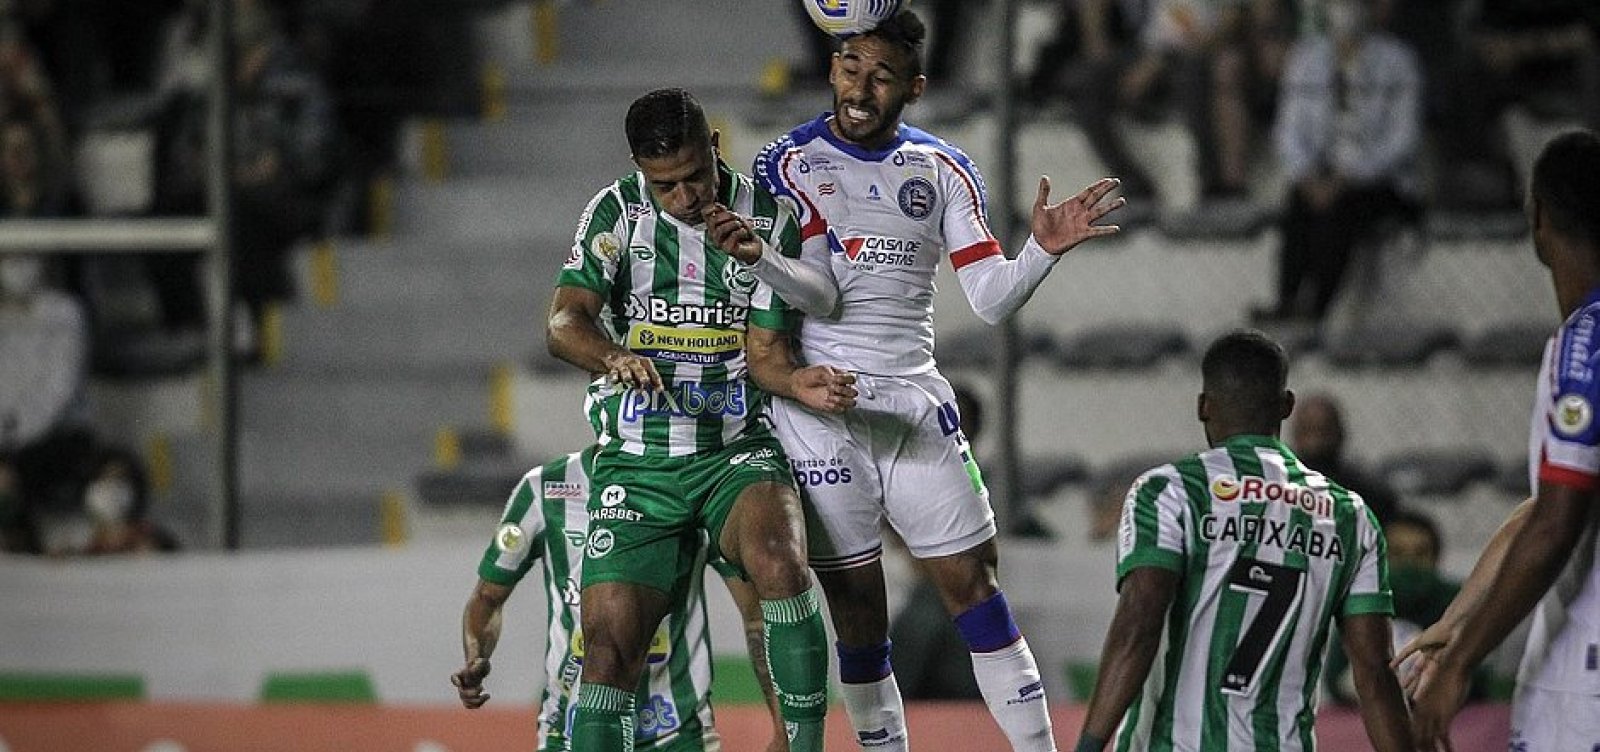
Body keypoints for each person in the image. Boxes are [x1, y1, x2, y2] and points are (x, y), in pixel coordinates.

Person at [749, 10, 1124, 749]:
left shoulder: (942, 168)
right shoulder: (784, 164)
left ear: (914, 88)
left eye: (882, 76)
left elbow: (989, 297)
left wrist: (1040, 252)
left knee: (975, 588)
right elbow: (799, 293)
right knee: (858, 613)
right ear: (832, 69)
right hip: (821, 410)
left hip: (914, 405)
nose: (861, 89)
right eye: (850, 68)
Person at [545, 87, 852, 752]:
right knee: (608, 651)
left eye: (695, 177)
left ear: (715, 149)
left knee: (780, 566)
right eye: (666, 186)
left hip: (733, 450)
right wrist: (613, 355)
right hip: (638, 461)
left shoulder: (766, 219)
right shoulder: (616, 214)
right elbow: (564, 322)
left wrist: (795, 381)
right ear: (640, 171)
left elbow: (766, 356)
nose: (684, 197)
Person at [1074, 330, 1411, 752]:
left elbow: (1139, 621)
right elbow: (1375, 671)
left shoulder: (1171, 492)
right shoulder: (1348, 514)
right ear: (1286, 406)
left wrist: (1089, 746)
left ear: (1203, 406)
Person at [1401, 129, 1600, 751]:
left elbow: (1557, 521)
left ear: (1538, 216)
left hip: (1586, 676)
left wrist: (1462, 663)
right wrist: (1458, 622)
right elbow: (1549, 505)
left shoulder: (1585, 343)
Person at [451, 447, 788, 751]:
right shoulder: (545, 489)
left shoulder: (700, 485)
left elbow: (755, 614)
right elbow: (487, 597)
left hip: (677, 733)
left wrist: (782, 729)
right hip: (568, 732)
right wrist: (476, 655)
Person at [1255, 0, 1422, 326]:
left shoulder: (1398, 60)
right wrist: (1305, 175)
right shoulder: (1306, 57)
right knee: (1298, 203)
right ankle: (1287, 300)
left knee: (1342, 208)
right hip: (1321, 174)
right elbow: (1288, 130)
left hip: (1378, 182)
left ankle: (1317, 309)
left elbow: (1403, 140)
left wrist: (1351, 176)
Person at [1287, 393, 1399, 524]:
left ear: (1340, 433)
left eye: (1323, 430)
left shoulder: (1367, 494)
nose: (1316, 441)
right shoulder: (1280, 487)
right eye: (1309, 430)